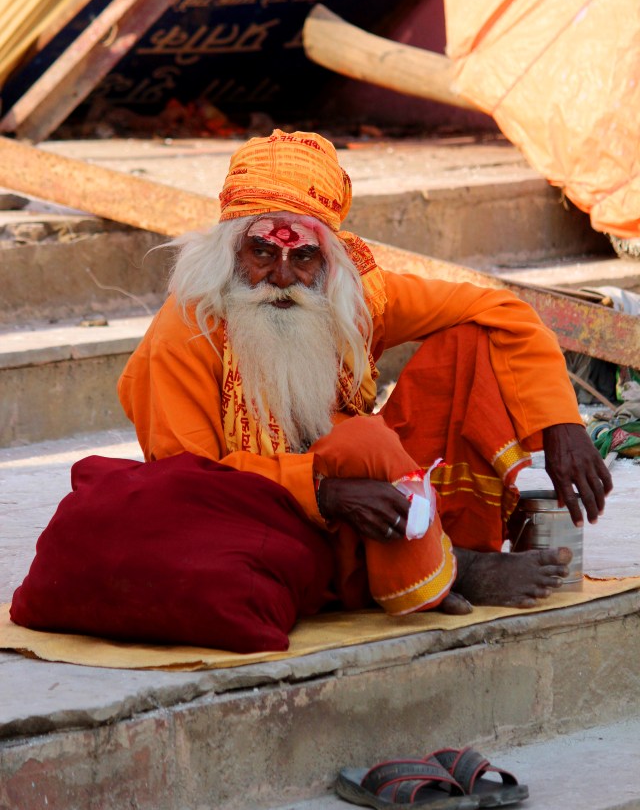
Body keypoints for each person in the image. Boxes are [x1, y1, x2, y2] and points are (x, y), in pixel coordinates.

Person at [118, 129, 613, 617]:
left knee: (471, 341)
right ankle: (448, 567)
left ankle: (445, 549)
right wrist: (324, 493)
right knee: (359, 445)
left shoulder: (354, 296)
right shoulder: (186, 330)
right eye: (263, 253)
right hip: (262, 515)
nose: (284, 279)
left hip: (373, 497)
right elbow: (185, 482)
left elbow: (503, 310)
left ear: (329, 260)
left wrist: (560, 425)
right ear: (231, 252)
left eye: (304, 256)